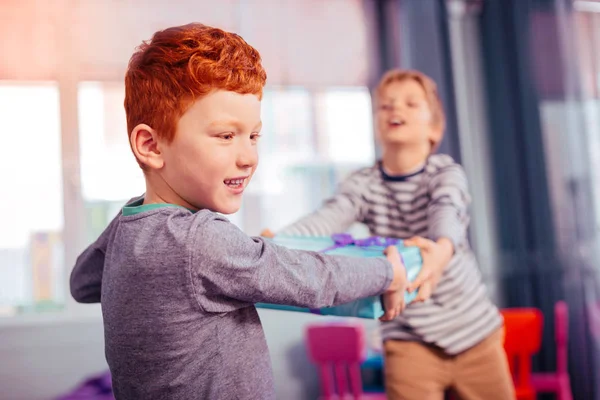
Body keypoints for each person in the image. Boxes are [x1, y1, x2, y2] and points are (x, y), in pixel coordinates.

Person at [69, 23, 408, 400]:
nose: (248, 157)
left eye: (253, 136)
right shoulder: (200, 239)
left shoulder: (124, 229)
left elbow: (82, 284)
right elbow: (313, 279)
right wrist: (387, 272)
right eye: (226, 136)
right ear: (151, 145)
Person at [264, 69, 515, 400]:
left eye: (411, 104)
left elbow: (448, 212)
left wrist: (440, 251)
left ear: (434, 128)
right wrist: (279, 241)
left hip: (473, 333)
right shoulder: (364, 184)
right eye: (385, 106)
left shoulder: (444, 173)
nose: (396, 110)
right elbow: (328, 217)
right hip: (407, 340)